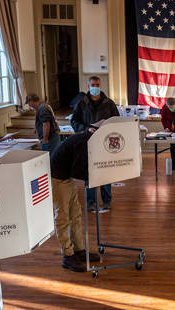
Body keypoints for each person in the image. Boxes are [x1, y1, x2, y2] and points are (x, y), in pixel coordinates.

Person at [50, 121, 105, 272]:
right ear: (93, 130)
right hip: (58, 179)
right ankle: (68, 255)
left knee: (76, 215)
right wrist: (97, 175)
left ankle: (79, 250)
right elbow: (78, 170)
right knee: (62, 217)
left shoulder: (87, 139)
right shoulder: (84, 141)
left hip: (66, 178)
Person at [71, 76, 119, 212]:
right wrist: (86, 129)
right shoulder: (81, 103)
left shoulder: (109, 103)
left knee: (105, 172)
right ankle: (91, 202)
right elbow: (74, 122)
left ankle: (107, 200)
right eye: (93, 85)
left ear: (100, 85)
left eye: (97, 84)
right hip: (88, 141)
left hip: (105, 143)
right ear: (88, 86)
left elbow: (116, 121)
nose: (95, 87)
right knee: (90, 174)